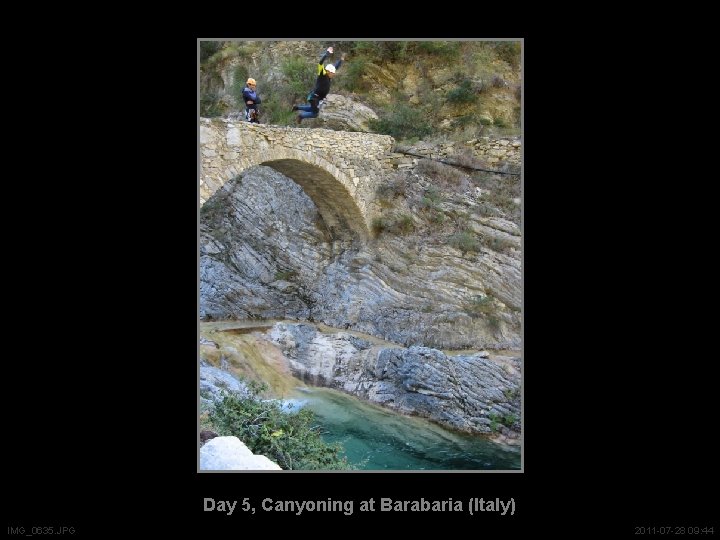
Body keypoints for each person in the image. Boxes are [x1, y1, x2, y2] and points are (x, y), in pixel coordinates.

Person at [292, 47, 345, 124]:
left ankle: (297, 107)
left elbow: (335, 67)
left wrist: (341, 60)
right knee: (315, 113)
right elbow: (320, 63)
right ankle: (301, 116)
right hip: (314, 97)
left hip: (318, 98)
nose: (333, 75)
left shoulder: (329, 75)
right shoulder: (322, 74)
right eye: (332, 73)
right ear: (328, 71)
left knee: (311, 109)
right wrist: (327, 54)